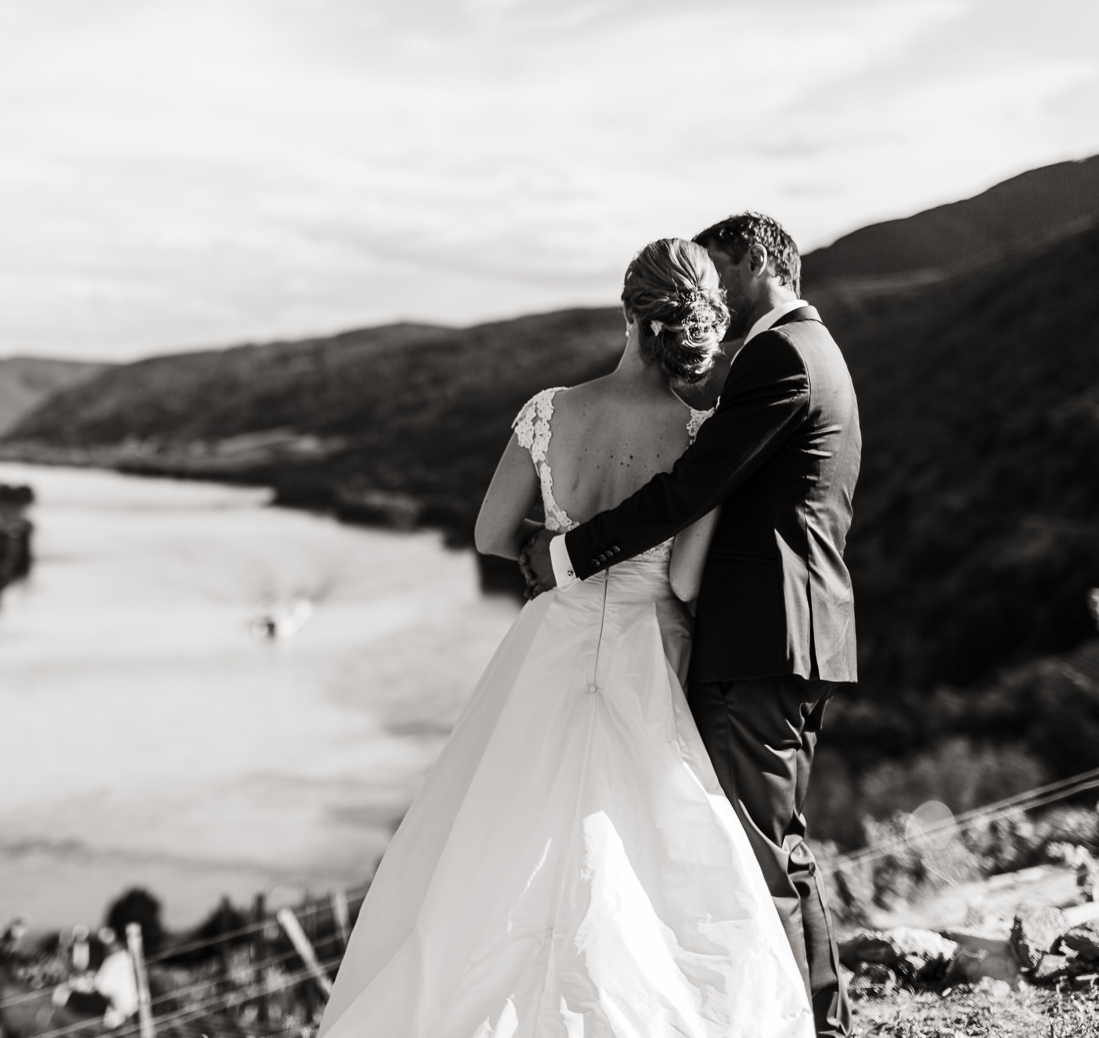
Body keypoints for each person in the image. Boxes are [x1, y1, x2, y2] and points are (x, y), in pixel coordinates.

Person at [319, 237, 815, 1038]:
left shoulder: (549, 411)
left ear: (629, 313)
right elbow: (686, 580)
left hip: (551, 639)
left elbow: (488, 533)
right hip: (649, 650)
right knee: (641, 848)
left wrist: (554, 552)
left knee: (505, 832)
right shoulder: (702, 434)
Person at [522, 212, 858, 1036]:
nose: (709, 296)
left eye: (716, 272)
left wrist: (569, 554)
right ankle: (823, 1020)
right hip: (789, 634)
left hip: (760, 637)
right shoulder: (812, 350)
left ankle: (799, 1025)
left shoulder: (782, 356)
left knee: (753, 857)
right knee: (776, 844)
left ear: (753, 261)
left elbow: (695, 485)